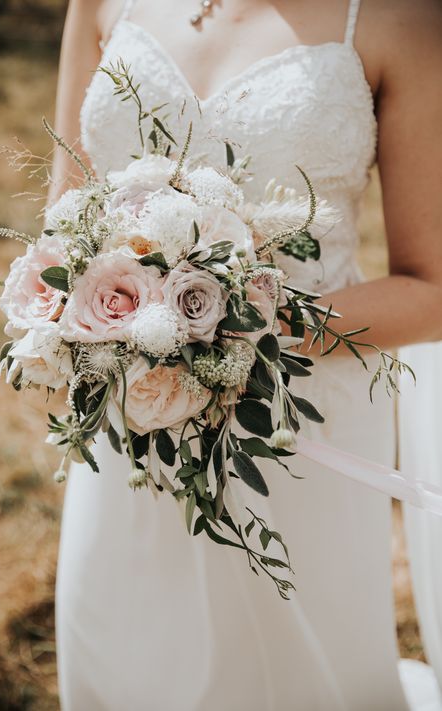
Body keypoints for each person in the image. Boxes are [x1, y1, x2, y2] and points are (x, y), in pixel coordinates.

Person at [52, 1, 442, 709]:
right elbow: (62, 216)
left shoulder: (400, 17)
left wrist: (232, 321)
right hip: (128, 412)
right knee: (122, 652)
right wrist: (109, 319)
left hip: (295, 423)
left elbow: (432, 290)